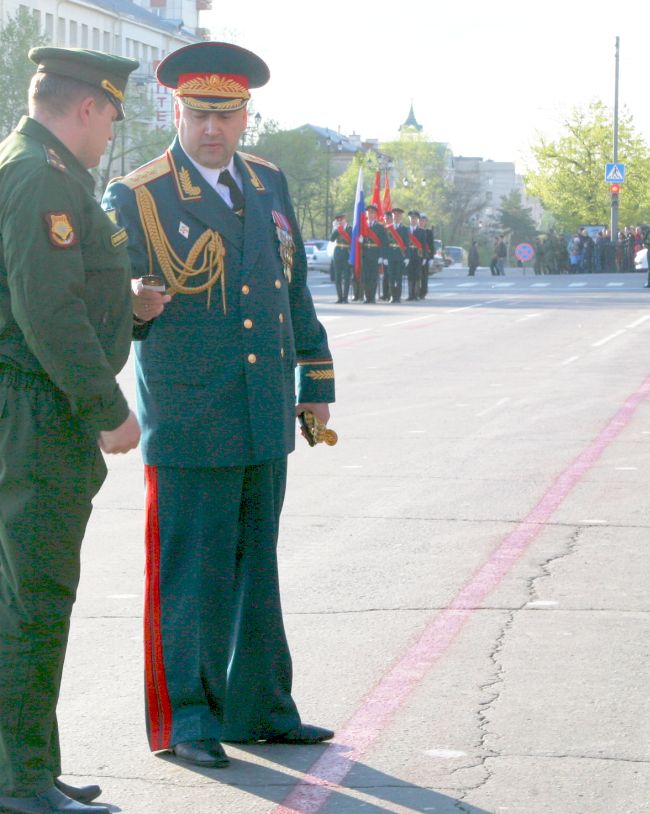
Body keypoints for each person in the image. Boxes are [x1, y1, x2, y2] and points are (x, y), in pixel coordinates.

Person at [103, 41, 336, 770]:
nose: (213, 128)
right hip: (191, 416)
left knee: (256, 567)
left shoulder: (267, 182)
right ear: (177, 109)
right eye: (199, 113)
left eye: (227, 114)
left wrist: (317, 384)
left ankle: (260, 708)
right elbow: (111, 306)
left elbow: (290, 289)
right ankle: (188, 720)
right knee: (190, 575)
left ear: (246, 117)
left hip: (264, 411)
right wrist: (131, 307)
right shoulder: (139, 195)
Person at [0, 47, 141, 814]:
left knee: (25, 595)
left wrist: (130, 312)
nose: (110, 132)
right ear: (87, 107)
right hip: (36, 412)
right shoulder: (40, 177)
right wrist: (107, 409)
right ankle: (20, 785)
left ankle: (28, 766)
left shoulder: (36, 167)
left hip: (32, 407)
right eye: (111, 116)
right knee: (35, 598)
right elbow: (46, 314)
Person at [361, 203, 387, 303]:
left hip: (375, 254)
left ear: (375, 214)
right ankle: (367, 297)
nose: (371, 214)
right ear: (366, 214)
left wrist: (381, 256)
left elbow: (384, 243)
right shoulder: (362, 226)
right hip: (365, 254)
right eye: (369, 212)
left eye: (373, 213)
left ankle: (372, 297)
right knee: (365, 276)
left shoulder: (379, 227)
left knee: (373, 277)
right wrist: (360, 241)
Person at [384, 208, 409, 302]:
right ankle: (392, 296)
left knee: (398, 277)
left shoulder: (404, 229)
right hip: (390, 255)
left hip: (400, 255)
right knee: (391, 277)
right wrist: (385, 257)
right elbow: (385, 244)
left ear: (401, 217)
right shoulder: (388, 228)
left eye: (398, 216)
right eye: (395, 216)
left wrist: (407, 257)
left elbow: (407, 244)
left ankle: (397, 297)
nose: (396, 217)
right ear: (392, 217)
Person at [330, 213, 352, 302]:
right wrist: (335, 229)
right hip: (338, 253)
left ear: (345, 219)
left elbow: (351, 240)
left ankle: (345, 297)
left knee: (347, 276)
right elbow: (331, 239)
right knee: (337, 276)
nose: (340, 221)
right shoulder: (337, 229)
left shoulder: (349, 229)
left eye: (341, 220)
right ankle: (339, 297)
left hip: (346, 253)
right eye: (338, 220)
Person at [406, 210, 426, 299]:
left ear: (417, 219)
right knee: (410, 275)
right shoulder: (405, 230)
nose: (413, 220)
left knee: (417, 275)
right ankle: (410, 294)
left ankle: (416, 294)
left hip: (418, 255)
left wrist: (424, 257)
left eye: (415, 218)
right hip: (409, 255)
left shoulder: (421, 231)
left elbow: (424, 245)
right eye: (411, 218)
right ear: (409, 219)